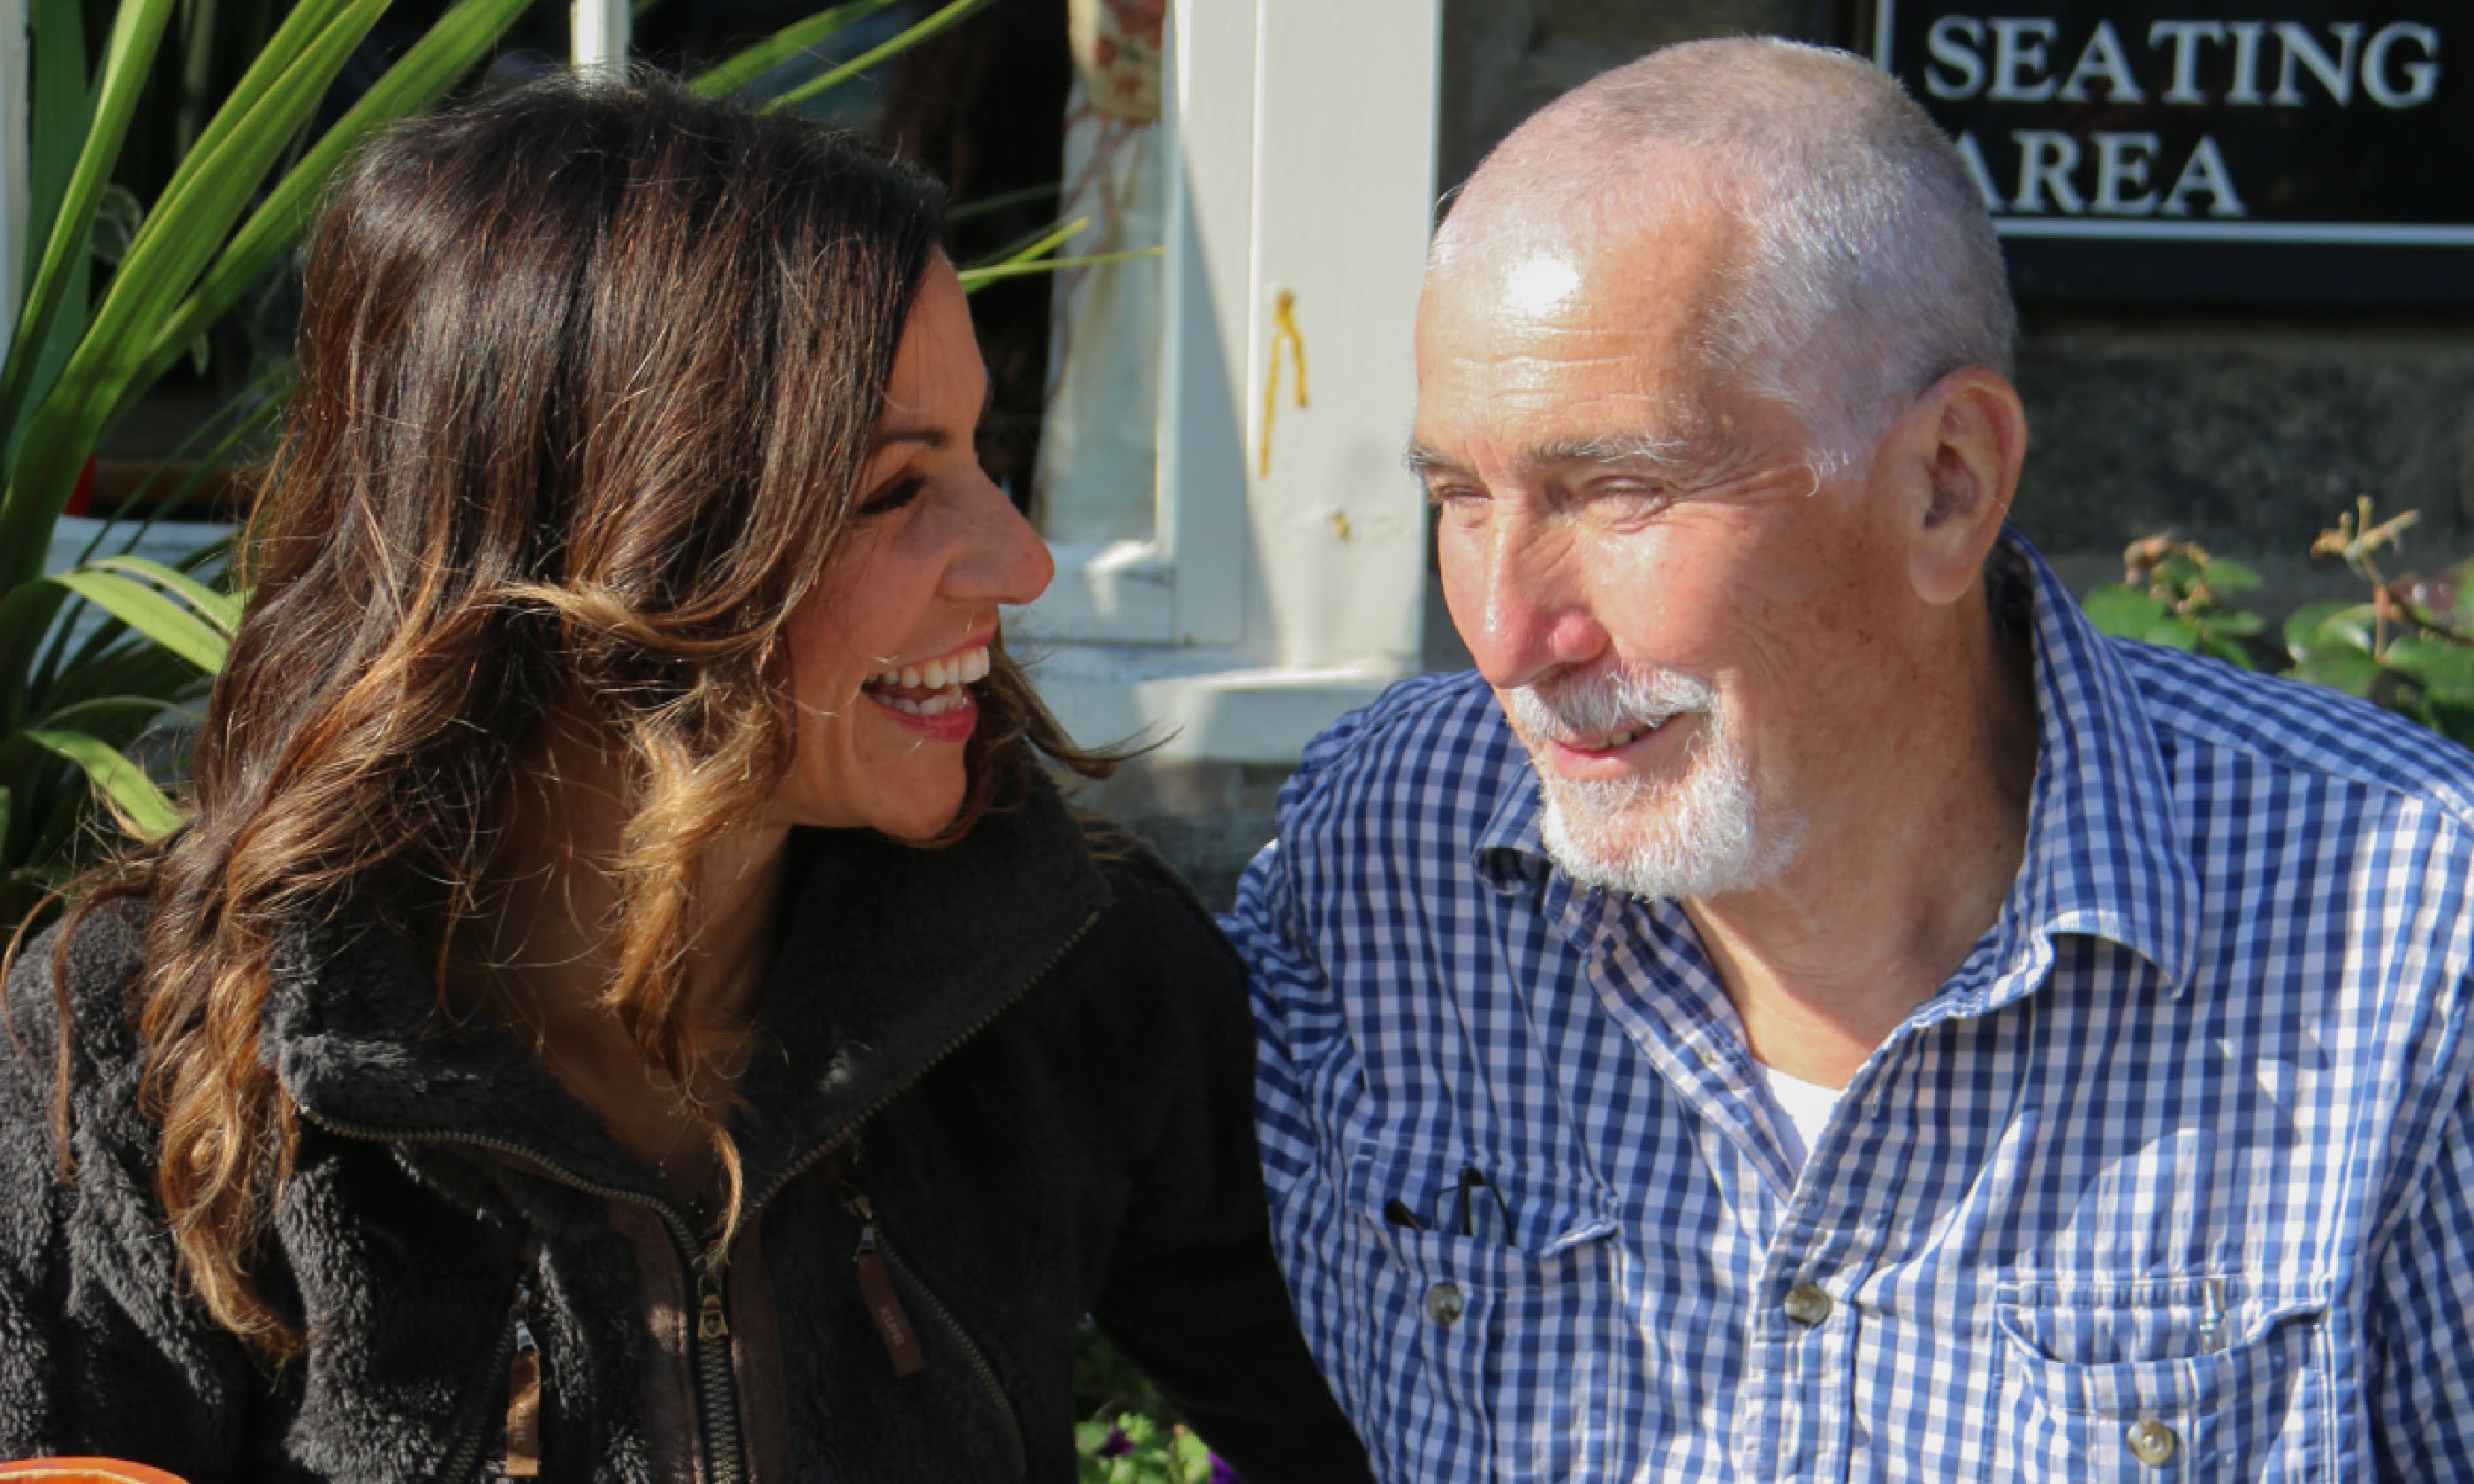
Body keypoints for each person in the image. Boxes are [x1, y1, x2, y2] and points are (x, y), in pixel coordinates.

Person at [0, 76, 1370, 1484]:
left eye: (987, 457)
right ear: (611, 549)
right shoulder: (141, 1046)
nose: (1020, 562)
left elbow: (1391, 1427)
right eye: (897, 490)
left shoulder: (1075, 972)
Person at [1231, 36, 2474, 1481]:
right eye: (1459, 497)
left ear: (1948, 484)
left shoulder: (2412, 933)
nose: (1508, 635)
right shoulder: (1388, 857)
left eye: (1620, 490)